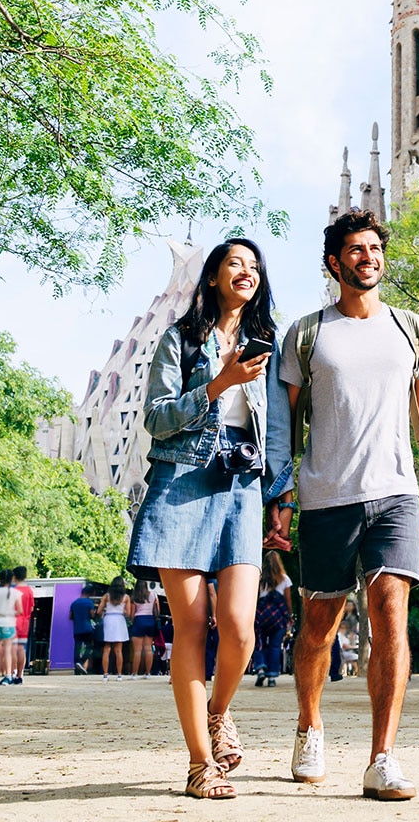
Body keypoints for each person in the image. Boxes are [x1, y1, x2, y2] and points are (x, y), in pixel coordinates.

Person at [270, 210, 419, 803]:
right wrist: (280, 493)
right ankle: (310, 725)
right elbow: (285, 422)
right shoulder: (306, 333)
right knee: (320, 626)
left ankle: (382, 757)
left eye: (375, 248)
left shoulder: (411, 328)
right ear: (335, 262)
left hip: (396, 494)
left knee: (390, 621)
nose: (368, 257)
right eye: (355, 249)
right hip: (327, 499)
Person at [132, 237, 293, 799]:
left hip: (243, 486)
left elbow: (276, 429)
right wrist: (218, 383)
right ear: (213, 278)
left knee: (241, 629)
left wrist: (283, 497)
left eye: (254, 266)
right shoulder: (181, 340)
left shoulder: (266, 345)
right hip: (182, 483)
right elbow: (155, 416)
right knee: (193, 629)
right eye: (235, 263)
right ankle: (200, 762)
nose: (246, 272)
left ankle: (218, 712)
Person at [253, 552, 291, 687]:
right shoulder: (284, 579)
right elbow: (287, 600)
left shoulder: (260, 579)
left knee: (259, 643)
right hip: (277, 616)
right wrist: (289, 616)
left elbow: (254, 597)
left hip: (262, 615)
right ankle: (272, 677)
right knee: (275, 647)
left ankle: (261, 668)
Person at [0, 569, 23, 684]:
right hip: (9, 624)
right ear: (12, 579)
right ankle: (8, 676)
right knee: (7, 651)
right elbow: (20, 610)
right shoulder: (15, 593)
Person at [101, 579, 132, 679]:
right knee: (119, 650)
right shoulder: (126, 597)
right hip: (119, 620)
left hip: (108, 619)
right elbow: (128, 613)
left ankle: (105, 674)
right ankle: (119, 675)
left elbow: (99, 610)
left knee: (107, 648)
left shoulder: (106, 596)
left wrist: (105, 609)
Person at [10, 567, 35, 682]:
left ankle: (12, 672)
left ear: (14, 576)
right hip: (25, 622)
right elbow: (31, 607)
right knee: (21, 649)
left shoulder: (13, 591)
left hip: (13, 622)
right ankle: (20, 675)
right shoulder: (29, 590)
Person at [68, 585, 100, 675]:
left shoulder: (74, 603)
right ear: (90, 593)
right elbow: (92, 615)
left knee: (77, 647)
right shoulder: (89, 602)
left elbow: (70, 616)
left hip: (77, 629)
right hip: (87, 628)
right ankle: (81, 662)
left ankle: (76, 666)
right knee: (89, 647)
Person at [131, 584, 160, 678]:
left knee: (137, 650)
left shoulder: (135, 597)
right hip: (150, 619)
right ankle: (148, 673)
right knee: (148, 648)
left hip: (139, 620)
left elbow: (132, 613)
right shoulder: (153, 594)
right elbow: (157, 610)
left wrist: (133, 622)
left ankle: (134, 673)